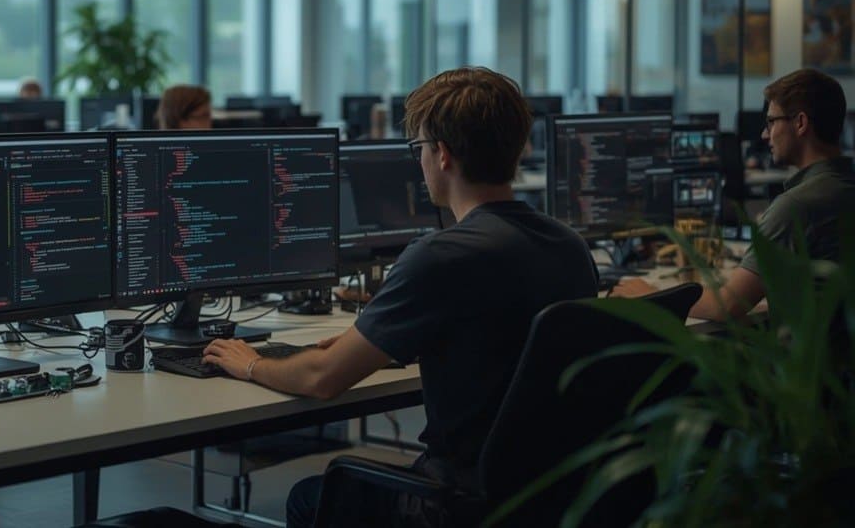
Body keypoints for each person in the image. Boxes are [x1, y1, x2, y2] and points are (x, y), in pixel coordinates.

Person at [202, 67, 598, 528]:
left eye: (419, 149)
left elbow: (321, 378)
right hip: (548, 499)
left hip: (453, 505)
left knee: (310, 498)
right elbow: (497, 342)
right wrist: (372, 339)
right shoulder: (569, 245)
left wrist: (250, 363)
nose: (420, 161)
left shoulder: (441, 256)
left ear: (443, 155)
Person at [614, 69, 855, 320]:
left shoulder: (795, 206)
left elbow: (727, 305)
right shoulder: (844, 188)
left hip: (802, 359)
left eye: (772, 122)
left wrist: (650, 294)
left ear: (800, 123)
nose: (764, 134)